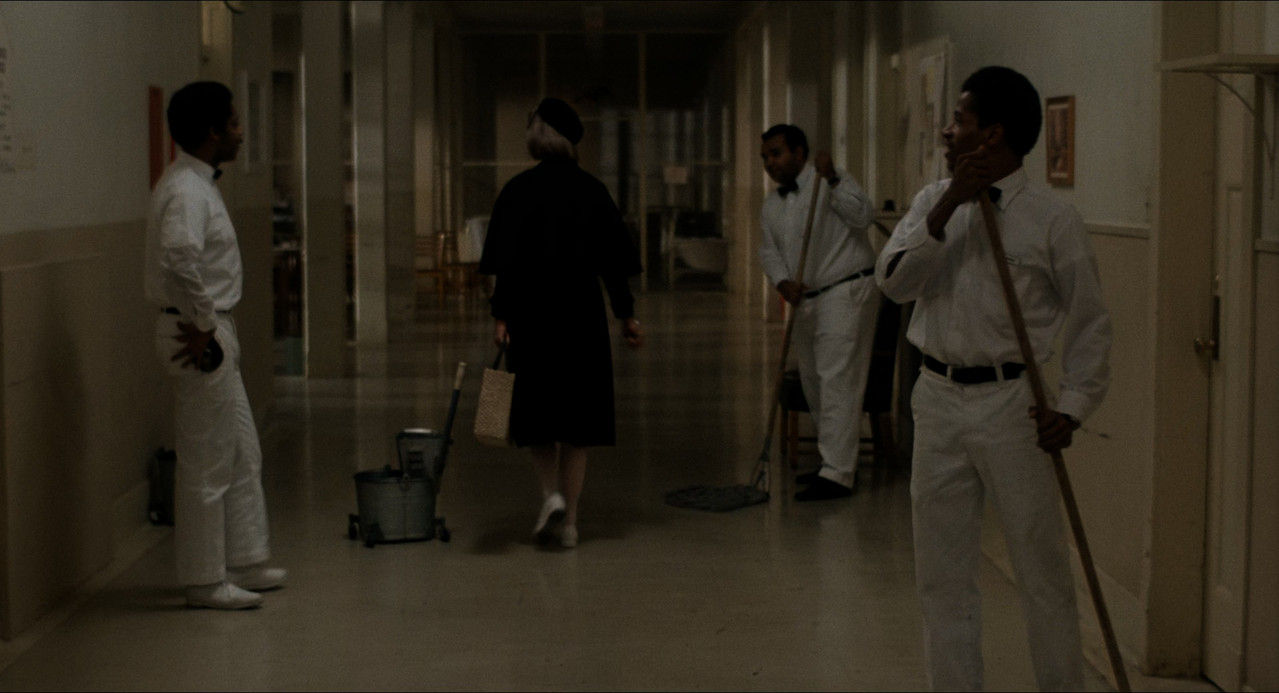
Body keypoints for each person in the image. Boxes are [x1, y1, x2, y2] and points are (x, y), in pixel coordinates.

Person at [875, 66, 1112, 691]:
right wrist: (949, 204)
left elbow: (1091, 324)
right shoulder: (931, 202)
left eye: (959, 120)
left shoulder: (1053, 221)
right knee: (942, 575)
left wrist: (1074, 407)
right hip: (937, 398)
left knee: (1041, 570)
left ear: (993, 134)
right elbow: (893, 283)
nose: (947, 131)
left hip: (1015, 406)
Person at [478, 97, 644, 549]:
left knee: (538, 415)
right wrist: (626, 315)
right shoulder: (592, 191)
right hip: (579, 315)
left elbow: (506, 265)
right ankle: (570, 521)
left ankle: (549, 493)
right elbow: (613, 265)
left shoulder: (516, 191)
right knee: (577, 423)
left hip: (531, 316)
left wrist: (502, 316)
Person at [145, 81, 286, 609]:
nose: (241, 133)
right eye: (234, 123)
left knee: (242, 450)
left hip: (210, 328)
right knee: (207, 461)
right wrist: (204, 320)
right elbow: (178, 256)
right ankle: (204, 579)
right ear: (212, 131)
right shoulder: (186, 189)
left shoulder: (198, 183)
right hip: (196, 332)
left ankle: (245, 557)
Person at [758, 124, 879, 500]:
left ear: (800, 152)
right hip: (804, 300)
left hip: (845, 291)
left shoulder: (830, 182)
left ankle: (838, 473)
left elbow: (863, 216)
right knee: (814, 381)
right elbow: (769, 251)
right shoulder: (772, 205)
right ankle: (832, 462)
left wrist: (833, 179)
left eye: (776, 153)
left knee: (837, 380)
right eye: (765, 157)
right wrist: (782, 282)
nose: (770, 163)